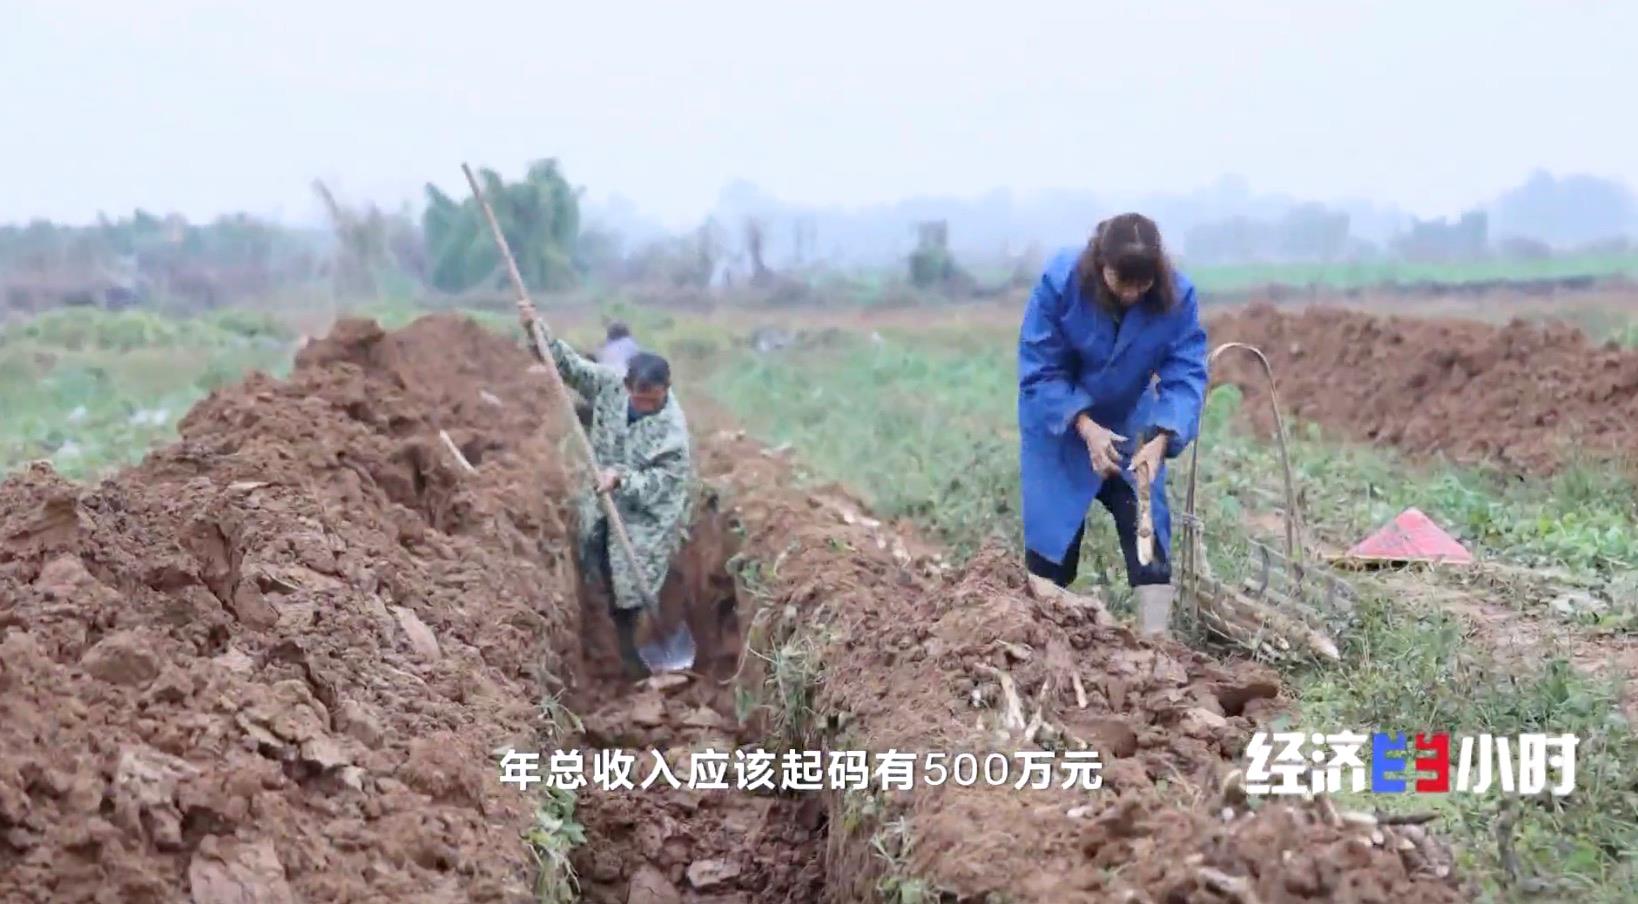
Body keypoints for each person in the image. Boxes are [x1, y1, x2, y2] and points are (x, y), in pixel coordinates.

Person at [1016, 213, 1208, 638]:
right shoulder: (1060, 282)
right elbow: (1041, 370)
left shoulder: (1177, 296)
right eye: (1123, 282)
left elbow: (1187, 373)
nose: (1132, 294)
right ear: (1100, 265)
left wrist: (1162, 438)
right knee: (1053, 543)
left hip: (1129, 419)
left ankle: (1156, 640)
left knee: (1147, 527)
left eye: (1143, 285)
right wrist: (1085, 427)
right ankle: (1045, 637)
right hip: (1060, 422)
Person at [518, 300, 694, 677]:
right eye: (638, 398)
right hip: (602, 496)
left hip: (647, 512)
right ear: (626, 385)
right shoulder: (608, 385)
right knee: (593, 559)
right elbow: (567, 365)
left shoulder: (672, 432)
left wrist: (623, 478)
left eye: (653, 401)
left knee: (634, 578)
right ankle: (600, 634)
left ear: (666, 390)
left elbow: (663, 483)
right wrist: (537, 330)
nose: (644, 406)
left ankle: (635, 643)